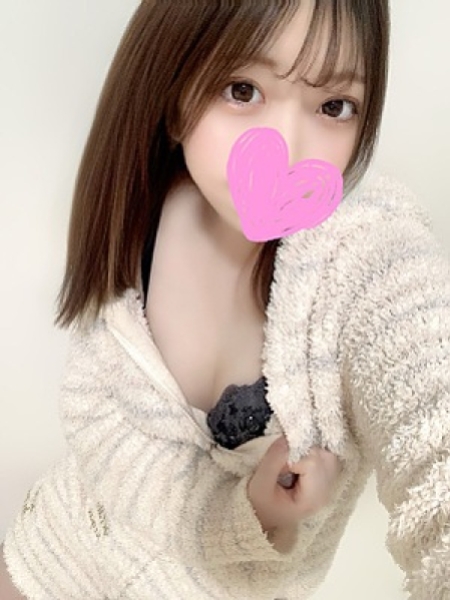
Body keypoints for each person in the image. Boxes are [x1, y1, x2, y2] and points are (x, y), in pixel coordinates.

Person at [2, 0, 449, 598]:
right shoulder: (154, 203)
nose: (287, 147)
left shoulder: (368, 259)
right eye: (243, 90)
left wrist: (252, 518)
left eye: (333, 106)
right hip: (51, 553)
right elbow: (92, 403)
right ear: (174, 94)